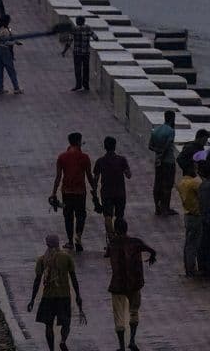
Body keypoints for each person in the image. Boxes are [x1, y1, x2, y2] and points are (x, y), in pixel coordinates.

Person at [106, 218, 157, 351]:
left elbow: (107, 254)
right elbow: (152, 250)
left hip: (117, 284)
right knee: (134, 312)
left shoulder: (113, 244)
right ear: (127, 228)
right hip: (134, 283)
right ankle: (132, 341)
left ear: (116, 230)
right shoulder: (136, 242)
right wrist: (152, 257)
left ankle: (121, 346)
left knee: (119, 316)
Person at [27, 234, 84, 351]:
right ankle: (63, 341)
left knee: (48, 325)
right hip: (64, 296)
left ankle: (51, 349)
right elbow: (73, 278)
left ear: (47, 244)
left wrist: (32, 299)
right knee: (66, 322)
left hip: (48, 297)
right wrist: (78, 295)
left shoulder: (42, 260)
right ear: (58, 243)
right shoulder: (66, 258)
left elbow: (37, 280)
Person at [52, 132, 98, 251]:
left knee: (68, 216)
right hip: (80, 192)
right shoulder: (84, 157)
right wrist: (94, 189)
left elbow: (58, 177)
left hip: (66, 192)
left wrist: (53, 193)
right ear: (78, 142)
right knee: (81, 215)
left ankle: (70, 241)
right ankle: (78, 236)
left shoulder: (62, 157)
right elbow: (89, 176)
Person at [93, 136, 132, 244]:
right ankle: (120, 238)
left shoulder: (100, 161)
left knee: (108, 216)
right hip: (120, 192)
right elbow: (129, 175)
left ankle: (111, 239)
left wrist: (94, 192)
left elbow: (95, 179)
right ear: (115, 146)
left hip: (106, 193)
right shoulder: (122, 160)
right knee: (119, 216)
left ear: (105, 147)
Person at [147, 111, 178, 216]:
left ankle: (157, 208)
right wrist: (162, 153)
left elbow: (150, 146)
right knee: (167, 185)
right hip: (168, 161)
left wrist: (158, 153)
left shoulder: (155, 130)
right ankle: (165, 208)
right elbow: (168, 145)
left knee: (158, 184)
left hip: (158, 162)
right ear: (172, 119)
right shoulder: (171, 131)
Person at [175, 163, 202, 277]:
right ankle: (191, 269)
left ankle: (188, 267)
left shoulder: (181, 183)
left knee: (188, 244)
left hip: (187, 215)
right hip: (196, 215)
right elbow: (202, 189)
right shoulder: (194, 183)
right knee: (193, 244)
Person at [60, 15, 98, 91]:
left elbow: (69, 41)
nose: (76, 21)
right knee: (86, 68)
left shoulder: (74, 29)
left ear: (78, 21)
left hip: (77, 52)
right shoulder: (88, 28)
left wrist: (64, 51)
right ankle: (86, 85)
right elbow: (95, 38)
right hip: (86, 52)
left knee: (78, 69)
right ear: (84, 21)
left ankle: (78, 85)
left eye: (77, 20)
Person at [0, 14, 21, 94]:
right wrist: (14, 42)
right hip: (4, 50)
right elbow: (6, 42)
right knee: (11, 69)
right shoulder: (5, 30)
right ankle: (16, 88)